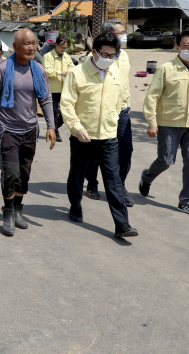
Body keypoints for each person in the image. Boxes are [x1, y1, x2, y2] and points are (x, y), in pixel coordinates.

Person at [60, 32, 137, 238]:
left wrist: (115, 121)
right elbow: (66, 103)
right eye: (104, 54)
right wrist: (76, 127)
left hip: (108, 136)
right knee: (77, 174)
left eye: (112, 55)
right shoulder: (77, 74)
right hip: (83, 136)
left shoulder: (116, 73)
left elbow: (123, 99)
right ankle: (75, 205)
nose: (108, 59)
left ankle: (122, 224)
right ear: (94, 52)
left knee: (114, 180)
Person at [0, 29, 56, 236]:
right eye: (26, 43)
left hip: (30, 130)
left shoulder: (38, 70)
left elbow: (46, 99)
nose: (31, 47)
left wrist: (51, 126)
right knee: (10, 173)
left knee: (24, 174)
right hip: (7, 130)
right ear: (15, 47)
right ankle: (7, 212)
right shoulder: (2, 69)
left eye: (34, 43)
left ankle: (17, 209)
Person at [139, 30, 189, 216]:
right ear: (177, 47)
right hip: (169, 124)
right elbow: (152, 97)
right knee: (166, 161)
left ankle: (186, 201)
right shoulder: (166, 69)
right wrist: (152, 122)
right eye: (186, 45)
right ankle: (147, 177)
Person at [83, 20, 133, 204]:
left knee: (126, 149)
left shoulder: (125, 56)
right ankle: (92, 183)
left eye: (124, 32)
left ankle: (120, 186)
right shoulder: (96, 56)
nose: (124, 36)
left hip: (122, 110)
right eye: (120, 33)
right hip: (101, 111)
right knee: (96, 151)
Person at [43, 35, 75, 143]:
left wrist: (69, 71)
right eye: (62, 47)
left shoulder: (67, 57)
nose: (63, 49)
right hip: (53, 89)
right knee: (54, 111)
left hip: (65, 89)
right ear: (56, 45)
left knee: (64, 112)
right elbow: (46, 71)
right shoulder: (48, 56)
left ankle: (54, 127)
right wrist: (60, 73)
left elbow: (72, 68)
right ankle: (55, 132)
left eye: (65, 47)